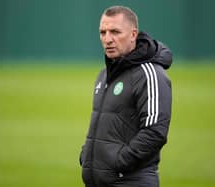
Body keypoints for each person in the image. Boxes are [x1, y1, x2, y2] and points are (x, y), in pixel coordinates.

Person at [79, 5, 172, 187]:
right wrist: (88, 155)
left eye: (115, 32)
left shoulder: (150, 74)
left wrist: (118, 162)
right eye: (103, 32)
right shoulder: (104, 74)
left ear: (133, 34)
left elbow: (155, 132)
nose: (108, 39)